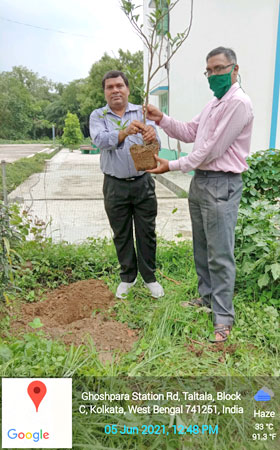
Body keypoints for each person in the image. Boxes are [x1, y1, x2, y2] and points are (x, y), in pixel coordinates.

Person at [146, 47, 254, 342]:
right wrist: (161, 118)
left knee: (220, 254)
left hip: (222, 183)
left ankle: (223, 317)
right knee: (203, 248)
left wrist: (173, 165)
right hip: (202, 182)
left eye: (219, 69)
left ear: (234, 68)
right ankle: (207, 299)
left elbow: (212, 150)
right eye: (209, 70)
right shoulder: (213, 104)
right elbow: (191, 131)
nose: (213, 75)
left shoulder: (239, 104)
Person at [90, 70, 164, 299]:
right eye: (110, 87)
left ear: (127, 89)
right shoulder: (98, 116)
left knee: (147, 232)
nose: (115, 90)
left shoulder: (141, 112)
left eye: (119, 85)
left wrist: (152, 135)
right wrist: (123, 132)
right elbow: (99, 140)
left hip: (143, 182)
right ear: (104, 92)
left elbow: (157, 143)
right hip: (115, 185)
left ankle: (150, 277)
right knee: (121, 233)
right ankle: (128, 277)